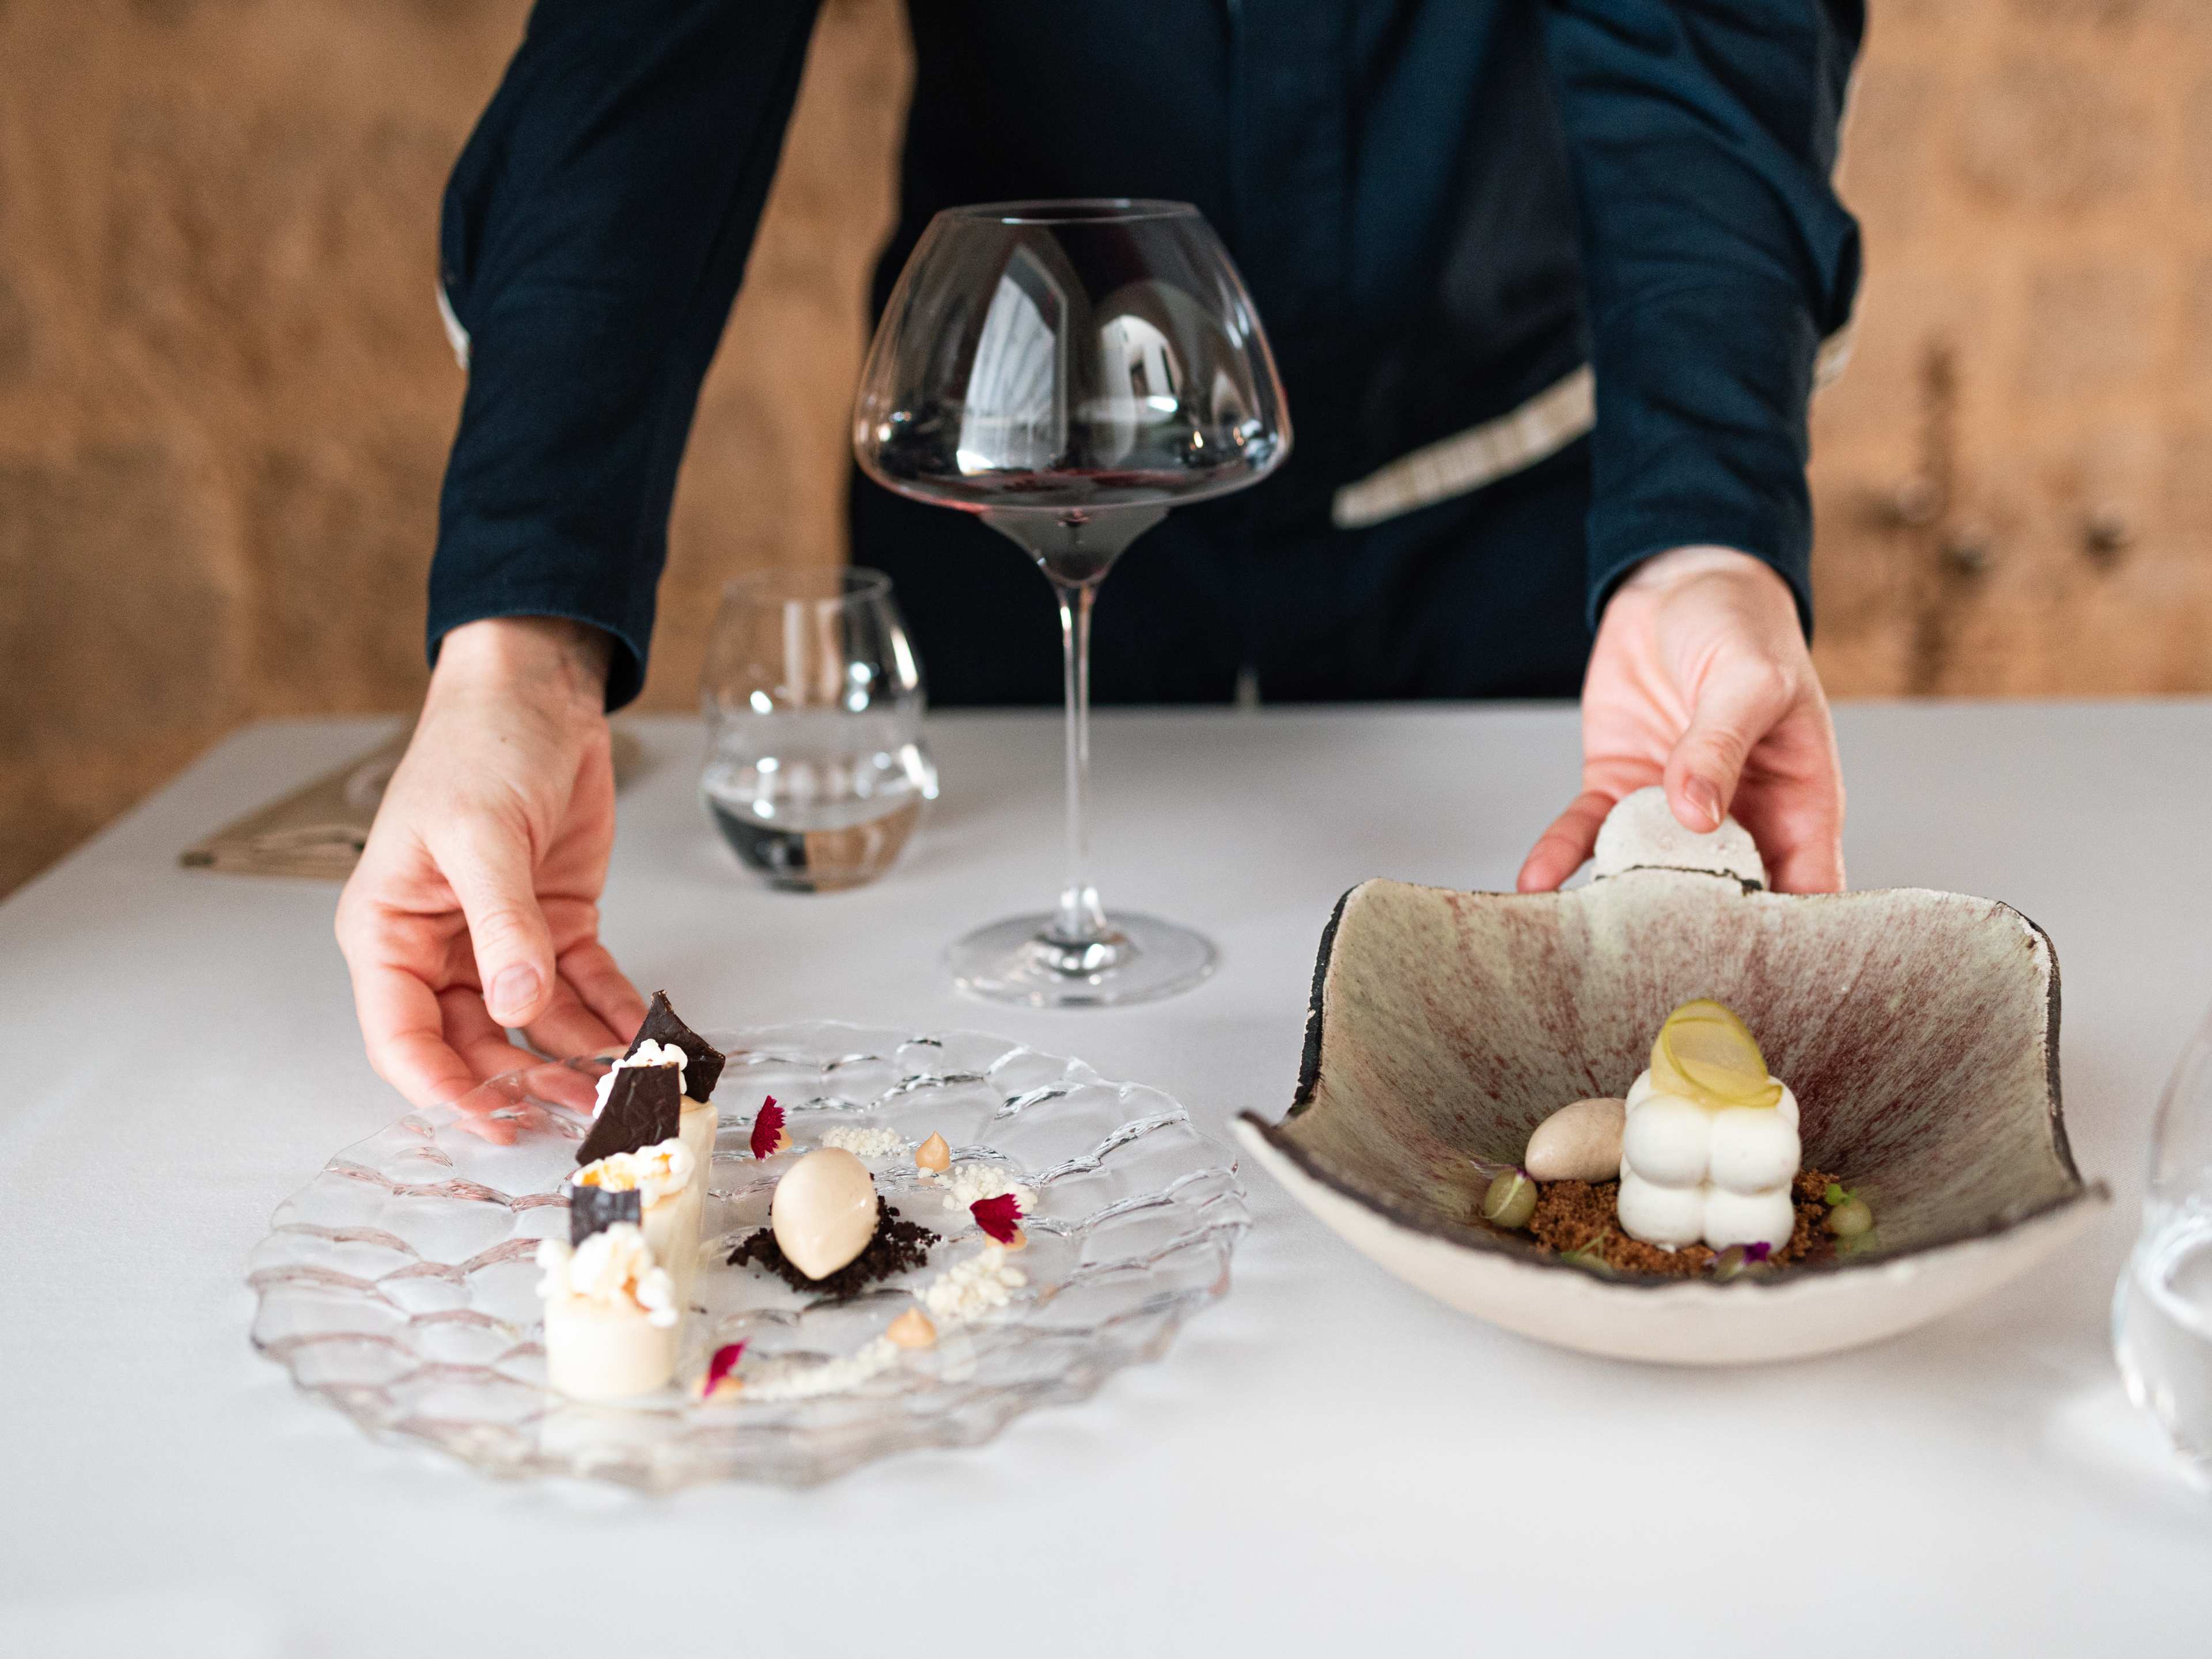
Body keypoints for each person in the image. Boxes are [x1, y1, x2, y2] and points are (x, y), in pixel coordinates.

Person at [338, 1, 1861, 1108]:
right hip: (1008, 496)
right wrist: (519, 649)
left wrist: (1701, 540)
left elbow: (1701, 54)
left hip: (1510, 532)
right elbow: (651, 47)